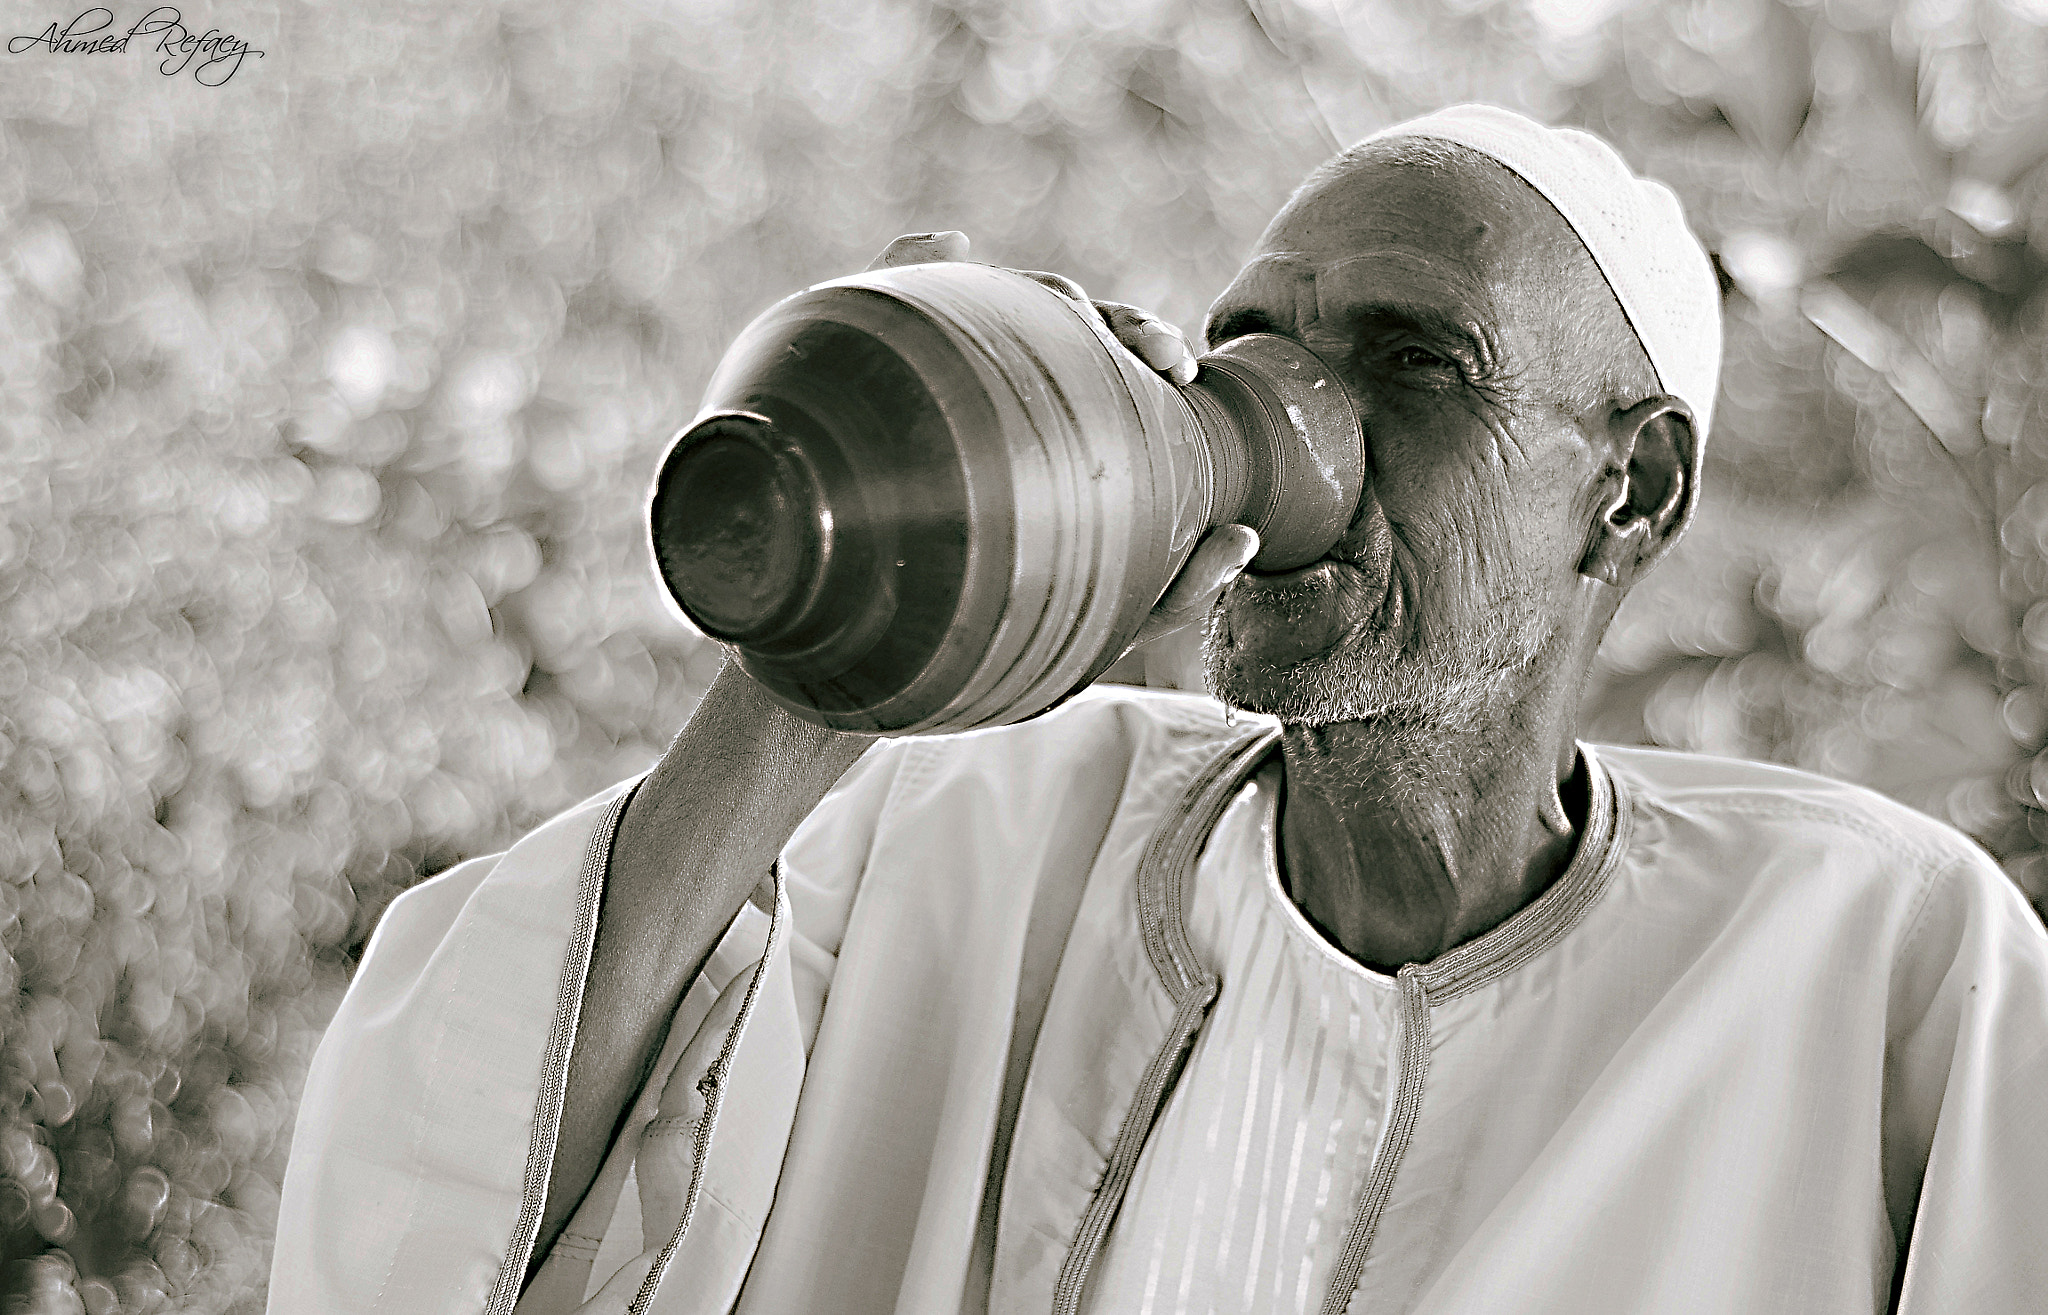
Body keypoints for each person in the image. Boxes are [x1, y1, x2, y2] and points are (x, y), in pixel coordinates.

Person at [269, 105, 2048, 1315]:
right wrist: (828, 672)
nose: (1293, 415)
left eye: (1413, 365)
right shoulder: (968, 824)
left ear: (1633, 492)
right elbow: (452, 1203)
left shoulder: (1876, 959)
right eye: (1247, 342)